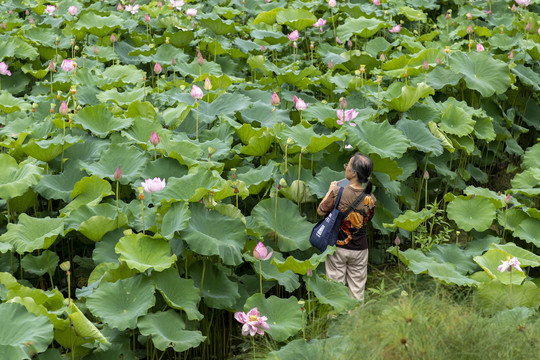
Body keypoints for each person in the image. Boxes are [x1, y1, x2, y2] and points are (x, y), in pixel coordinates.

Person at [317, 152, 376, 302]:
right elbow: (367, 219)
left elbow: (320, 211)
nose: (346, 168)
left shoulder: (338, 192)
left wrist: (330, 190)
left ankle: (336, 320)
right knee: (357, 291)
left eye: (347, 166)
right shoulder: (371, 198)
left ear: (354, 173)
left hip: (338, 247)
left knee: (335, 289)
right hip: (360, 250)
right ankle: (355, 323)